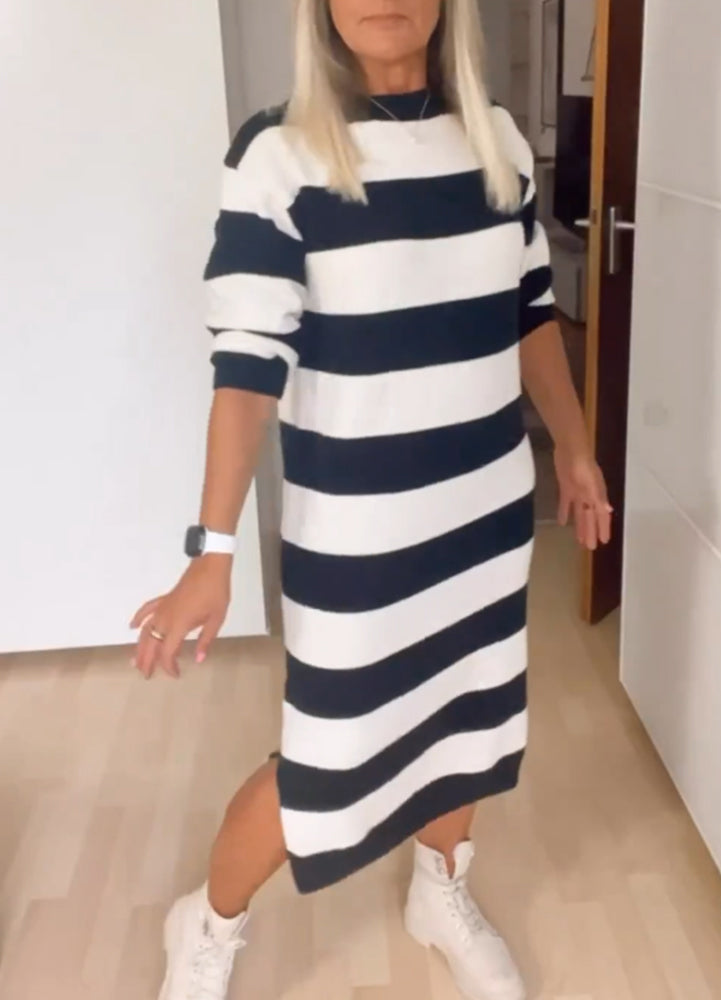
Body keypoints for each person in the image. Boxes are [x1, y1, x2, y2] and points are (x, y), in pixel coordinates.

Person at [131, 1, 612, 998]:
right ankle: (208, 923)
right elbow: (246, 368)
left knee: (469, 722)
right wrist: (210, 550)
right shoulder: (279, 155)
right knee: (326, 757)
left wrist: (573, 445)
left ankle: (440, 888)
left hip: (482, 517)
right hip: (357, 537)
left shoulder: (496, 141)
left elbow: (529, 314)